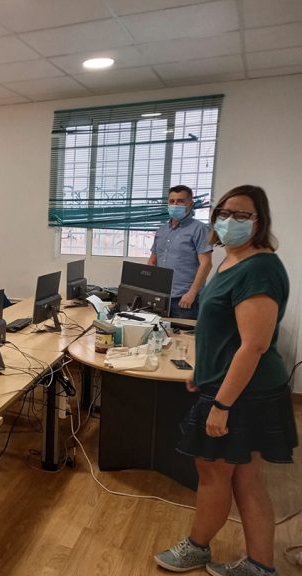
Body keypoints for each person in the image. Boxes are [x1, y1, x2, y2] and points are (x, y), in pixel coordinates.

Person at [154, 185, 297, 576]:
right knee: (245, 479)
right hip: (230, 385)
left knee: (214, 473)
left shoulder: (260, 268)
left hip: (243, 393)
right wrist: (202, 372)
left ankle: (198, 547)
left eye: (242, 215)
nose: (230, 220)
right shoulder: (230, 260)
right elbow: (222, 332)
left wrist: (222, 404)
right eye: (224, 213)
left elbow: (254, 345)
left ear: (260, 221)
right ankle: (260, 566)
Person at [148, 185, 213, 319]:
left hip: (185, 299)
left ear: (190, 204)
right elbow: (152, 260)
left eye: (181, 201)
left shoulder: (199, 229)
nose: (175, 205)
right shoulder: (161, 231)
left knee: (183, 332)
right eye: (172, 201)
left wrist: (192, 293)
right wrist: (149, 289)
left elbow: (206, 264)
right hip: (161, 296)